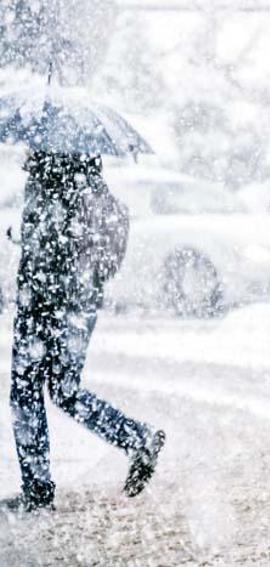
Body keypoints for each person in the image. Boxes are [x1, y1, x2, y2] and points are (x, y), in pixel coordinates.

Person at [2, 151, 166, 514]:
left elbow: (51, 244)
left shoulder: (50, 182)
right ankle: (136, 438)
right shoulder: (92, 185)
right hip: (80, 303)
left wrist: (30, 238)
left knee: (25, 391)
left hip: (45, 301)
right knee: (64, 390)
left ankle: (38, 491)